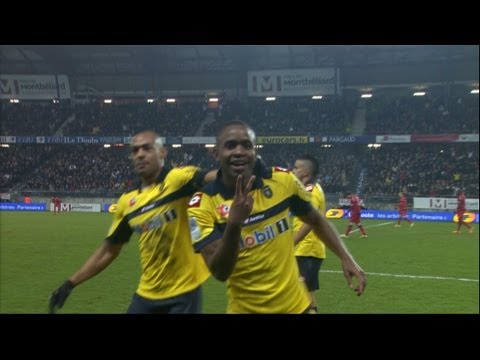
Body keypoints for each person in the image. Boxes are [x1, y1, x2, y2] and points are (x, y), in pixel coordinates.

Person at [187, 121, 366, 314]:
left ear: (255, 151)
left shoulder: (282, 180)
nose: (239, 151)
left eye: (246, 145)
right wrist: (234, 224)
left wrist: (345, 257)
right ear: (216, 153)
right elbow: (220, 272)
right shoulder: (201, 205)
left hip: (298, 307)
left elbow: (315, 219)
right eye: (230, 145)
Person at [49, 130, 216, 314]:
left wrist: (243, 167)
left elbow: (214, 177)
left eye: (147, 148)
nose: (140, 154)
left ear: (162, 152)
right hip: (147, 294)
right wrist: (71, 283)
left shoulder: (178, 180)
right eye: (135, 150)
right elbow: (109, 250)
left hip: (184, 294)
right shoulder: (127, 202)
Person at [291, 154, 326, 314]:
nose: (292, 170)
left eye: (296, 167)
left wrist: (292, 243)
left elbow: (309, 222)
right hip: (305, 250)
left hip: (307, 249)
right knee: (305, 297)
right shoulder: (306, 189)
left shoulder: (311, 191)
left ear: (305, 172)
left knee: (304, 297)